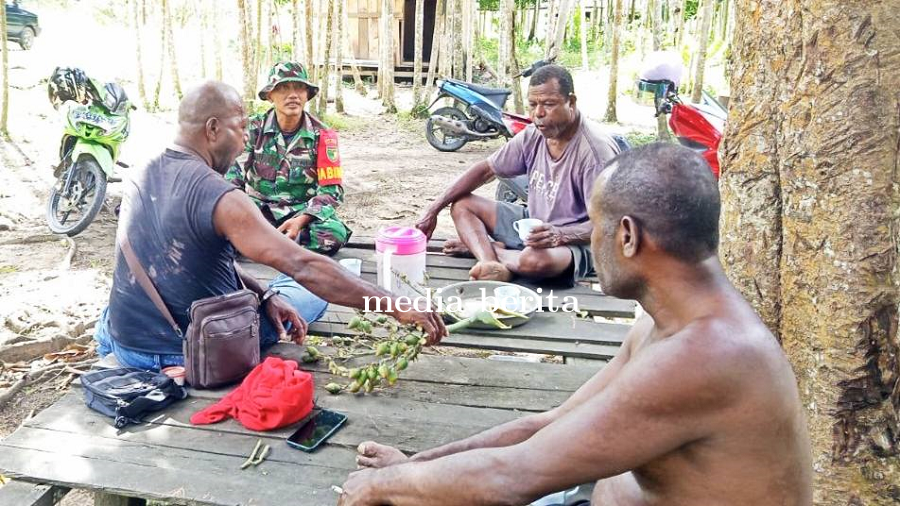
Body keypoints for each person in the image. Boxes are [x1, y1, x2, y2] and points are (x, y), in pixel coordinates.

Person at [337, 143, 813, 506]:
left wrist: (382, 484)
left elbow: (512, 478)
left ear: (627, 236)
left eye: (596, 224)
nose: (591, 237)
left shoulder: (706, 357)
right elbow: (548, 424)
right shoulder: (666, 321)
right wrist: (416, 465)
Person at [94, 81, 445, 371]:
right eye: (241, 126)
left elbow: (185, 257)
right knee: (308, 285)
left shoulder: (140, 170)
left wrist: (265, 295)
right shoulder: (221, 196)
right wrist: (395, 304)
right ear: (213, 129)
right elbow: (305, 266)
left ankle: (272, 289)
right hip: (187, 353)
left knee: (277, 284)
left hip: (123, 339)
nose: (246, 137)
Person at [415, 64, 620, 286]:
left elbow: (608, 225)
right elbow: (485, 170)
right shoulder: (534, 134)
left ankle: (491, 249)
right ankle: (490, 263)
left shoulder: (595, 154)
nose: (538, 114)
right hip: (534, 224)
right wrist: (433, 209)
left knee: (535, 262)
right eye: (533, 105)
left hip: (577, 241)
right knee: (462, 205)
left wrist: (560, 235)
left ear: (571, 102)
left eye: (548, 104)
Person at [225, 61, 351, 256]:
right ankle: (282, 246)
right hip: (260, 210)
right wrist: (242, 211)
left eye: (299, 88)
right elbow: (230, 169)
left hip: (302, 212)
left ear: (307, 95)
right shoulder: (253, 128)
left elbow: (331, 189)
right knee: (219, 232)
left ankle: (265, 245)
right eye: (283, 88)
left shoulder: (323, 135)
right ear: (270, 95)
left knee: (333, 235)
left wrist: (301, 220)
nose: (292, 95)